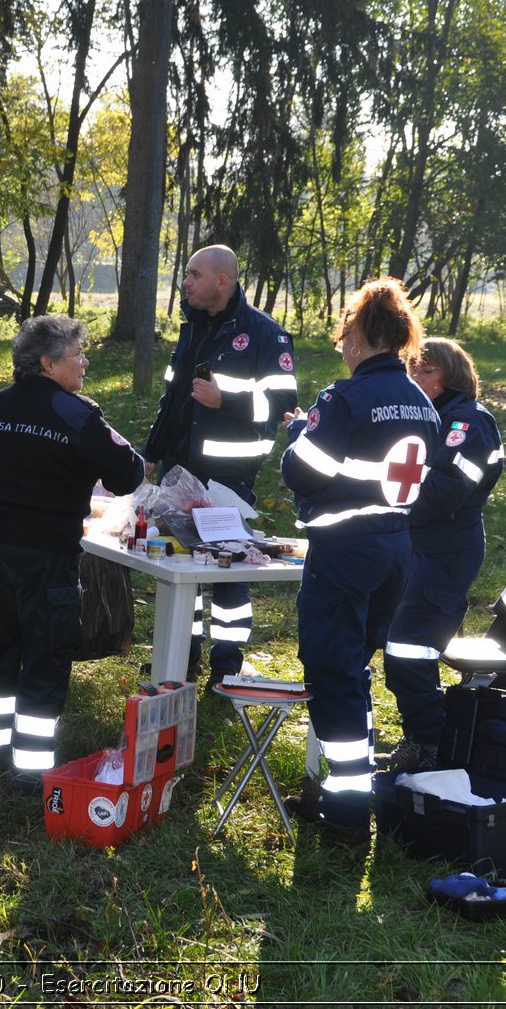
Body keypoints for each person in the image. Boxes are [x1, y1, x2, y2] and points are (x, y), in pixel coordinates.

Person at [279, 277, 440, 843]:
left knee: (334, 673)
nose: (340, 343)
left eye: (345, 332)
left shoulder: (344, 398)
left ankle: (346, 817)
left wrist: (300, 432)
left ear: (363, 336)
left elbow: (302, 472)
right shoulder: (422, 400)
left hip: (345, 550)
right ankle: (350, 794)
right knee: (355, 671)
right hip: (396, 549)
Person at [0, 315, 145, 785]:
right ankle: (30, 769)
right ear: (47, 363)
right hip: (45, 553)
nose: (84, 363)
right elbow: (127, 474)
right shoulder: (76, 413)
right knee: (45, 657)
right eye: (77, 355)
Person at [142, 244, 297, 686]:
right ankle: (181, 657)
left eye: (193, 275)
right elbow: (172, 398)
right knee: (179, 563)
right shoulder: (192, 328)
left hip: (228, 476)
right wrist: (153, 452)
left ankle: (226, 667)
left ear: (222, 281)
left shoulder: (265, 334)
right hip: (179, 470)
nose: (185, 282)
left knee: (228, 571)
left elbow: (285, 404)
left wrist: (226, 400)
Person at [382, 338, 505, 772]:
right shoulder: (429, 419)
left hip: (443, 554)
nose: (415, 378)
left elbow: (445, 492)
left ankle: (433, 749)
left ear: (450, 376)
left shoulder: (468, 423)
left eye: (425, 371)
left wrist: (384, 501)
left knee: (409, 651)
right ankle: (421, 739)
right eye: (411, 369)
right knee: (400, 651)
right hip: (415, 549)